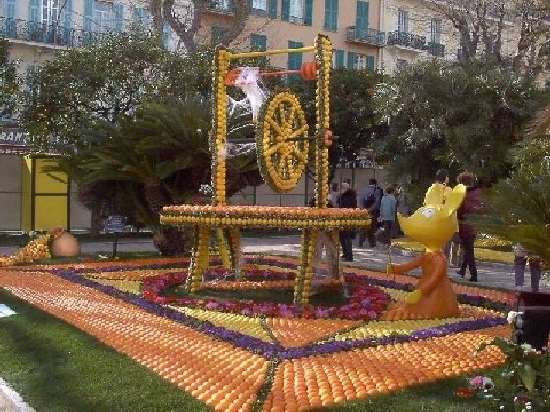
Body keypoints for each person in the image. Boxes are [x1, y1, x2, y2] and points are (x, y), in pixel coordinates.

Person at [457, 172, 481, 282]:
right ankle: (462, 270)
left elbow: (460, 210)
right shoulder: (478, 192)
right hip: (475, 225)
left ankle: (474, 275)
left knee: (469, 250)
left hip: (465, 225)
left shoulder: (463, 194)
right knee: (468, 248)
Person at [358, 178, 383, 248]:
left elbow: (359, 201)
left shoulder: (363, 189)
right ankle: (372, 243)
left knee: (363, 227)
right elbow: (377, 202)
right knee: (372, 228)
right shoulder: (377, 190)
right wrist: (370, 210)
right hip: (373, 212)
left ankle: (361, 242)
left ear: (369, 183)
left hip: (363, 211)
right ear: (375, 183)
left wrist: (363, 209)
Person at [338, 182, 357, 261]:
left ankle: (349, 256)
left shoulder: (348, 197)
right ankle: (346, 254)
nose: (340, 190)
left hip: (347, 219)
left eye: (341, 188)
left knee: (346, 238)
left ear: (345, 189)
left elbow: (346, 206)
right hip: (344, 219)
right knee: (342, 237)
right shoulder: (344, 196)